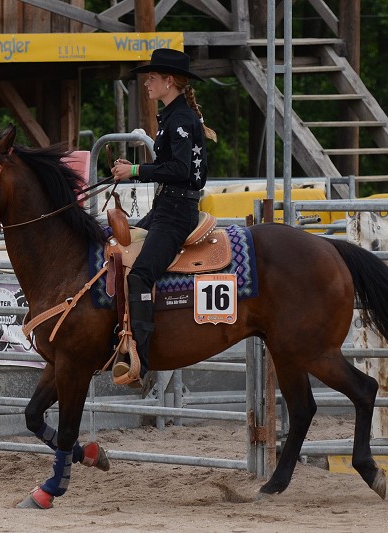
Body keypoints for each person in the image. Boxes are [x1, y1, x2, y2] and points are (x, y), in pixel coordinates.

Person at [111, 48, 217, 387]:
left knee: (140, 275)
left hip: (176, 213)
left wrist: (134, 170)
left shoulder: (181, 120)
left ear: (169, 81)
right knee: (115, 242)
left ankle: (138, 359)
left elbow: (179, 169)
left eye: (152, 79)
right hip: (166, 207)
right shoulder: (176, 116)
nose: (147, 84)